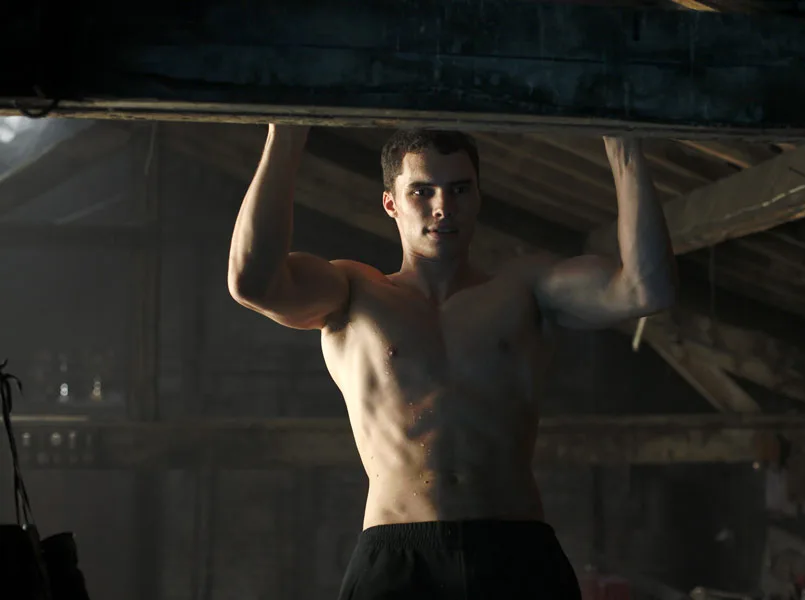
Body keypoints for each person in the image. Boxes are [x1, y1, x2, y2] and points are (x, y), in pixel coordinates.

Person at [227, 125, 677, 599]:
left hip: (515, 551)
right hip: (399, 555)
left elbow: (646, 289)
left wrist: (624, 145)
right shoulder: (353, 293)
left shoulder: (525, 289)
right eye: (422, 192)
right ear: (391, 203)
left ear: (478, 197)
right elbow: (253, 282)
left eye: (460, 190)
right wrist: (287, 133)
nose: (443, 207)